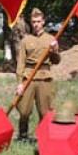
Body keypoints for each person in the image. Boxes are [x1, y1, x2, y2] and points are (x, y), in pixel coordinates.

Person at [15, 8, 60, 142]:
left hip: (45, 78)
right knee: (23, 110)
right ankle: (23, 136)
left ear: (43, 22)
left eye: (38, 21)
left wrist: (55, 51)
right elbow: (20, 63)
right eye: (34, 21)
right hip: (28, 77)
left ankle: (44, 138)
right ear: (31, 22)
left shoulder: (51, 39)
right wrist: (19, 83)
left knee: (45, 111)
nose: (36, 24)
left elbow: (56, 61)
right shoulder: (26, 40)